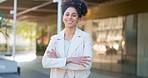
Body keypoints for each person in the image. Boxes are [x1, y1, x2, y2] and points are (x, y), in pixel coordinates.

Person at [42, 0, 93, 78]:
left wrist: (58, 60)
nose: (69, 17)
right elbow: (45, 62)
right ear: (63, 17)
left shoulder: (85, 38)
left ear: (78, 19)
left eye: (74, 15)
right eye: (67, 14)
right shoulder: (55, 39)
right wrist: (69, 60)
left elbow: (87, 65)